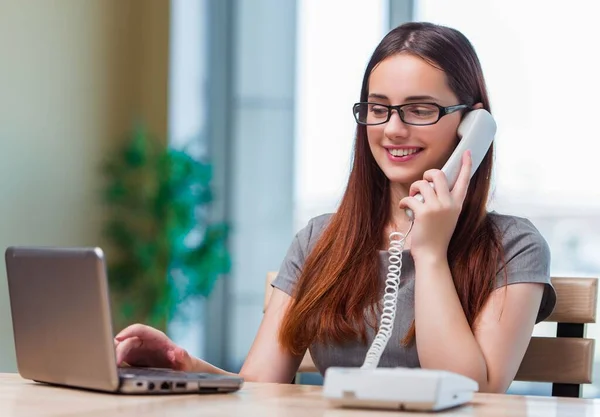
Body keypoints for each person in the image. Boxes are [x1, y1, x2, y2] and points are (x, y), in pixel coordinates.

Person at [114, 22, 556, 393]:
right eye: (378, 109)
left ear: (472, 125)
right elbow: (261, 386)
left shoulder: (514, 246)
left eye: (419, 110)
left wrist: (431, 253)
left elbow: (473, 396)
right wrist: (183, 366)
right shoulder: (321, 239)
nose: (393, 130)